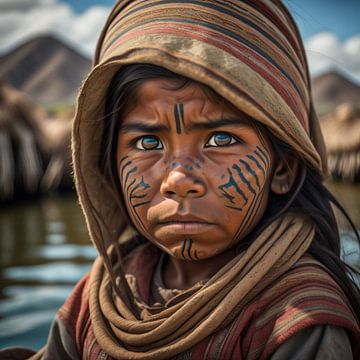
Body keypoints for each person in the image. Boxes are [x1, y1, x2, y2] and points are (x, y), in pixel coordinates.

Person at [2, 0, 360, 359]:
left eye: (221, 140)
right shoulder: (99, 297)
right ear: (110, 166)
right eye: (148, 142)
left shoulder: (300, 319)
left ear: (282, 168)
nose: (178, 179)